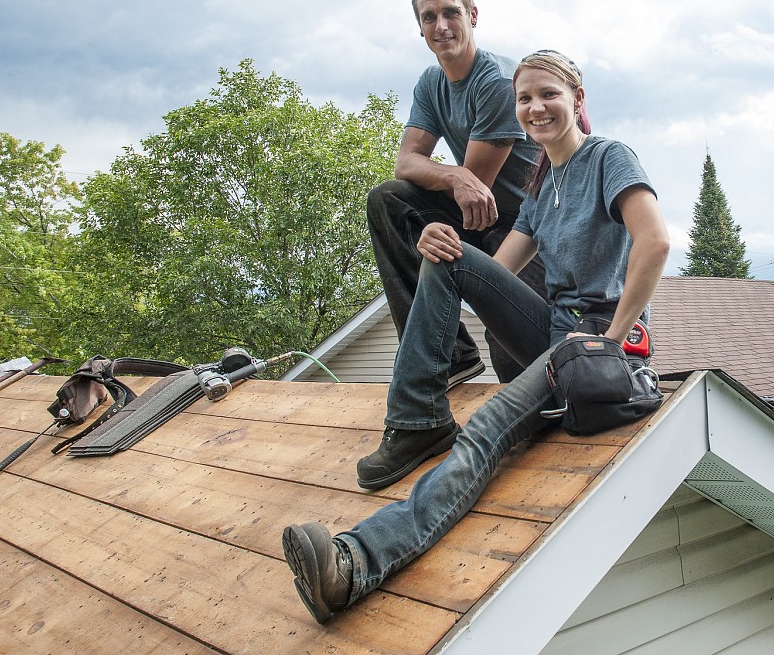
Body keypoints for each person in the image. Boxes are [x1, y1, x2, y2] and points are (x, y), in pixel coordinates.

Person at [281, 50, 670, 623]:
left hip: (592, 339)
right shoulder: (544, 181)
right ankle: (416, 420)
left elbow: (655, 242)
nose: (535, 107)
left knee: (486, 430)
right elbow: (500, 269)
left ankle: (354, 563)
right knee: (446, 252)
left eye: (549, 95)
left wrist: (612, 338)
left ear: (578, 101)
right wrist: (441, 241)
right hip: (551, 331)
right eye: (525, 99)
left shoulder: (608, 157)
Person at [369, 0, 545, 387]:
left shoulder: (499, 81)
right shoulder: (431, 83)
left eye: (451, 13)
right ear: (420, 27)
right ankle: (448, 357)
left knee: (514, 363)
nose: (441, 26)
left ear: (473, 15)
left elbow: (478, 188)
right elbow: (406, 163)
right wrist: (452, 177)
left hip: (523, 228)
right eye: (429, 17)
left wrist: (458, 181)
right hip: (474, 214)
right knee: (389, 200)